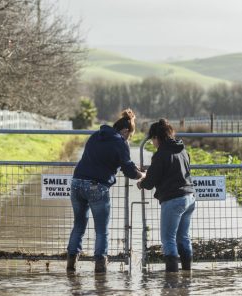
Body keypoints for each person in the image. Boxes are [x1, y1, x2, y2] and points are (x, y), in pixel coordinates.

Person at [67, 109, 145, 273]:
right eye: (129, 136)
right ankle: (100, 269)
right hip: (97, 186)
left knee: (79, 225)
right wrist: (142, 174)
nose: (128, 139)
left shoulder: (96, 135)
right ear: (125, 131)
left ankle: (71, 264)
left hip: (76, 182)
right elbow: (129, 171)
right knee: (101, 230)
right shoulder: (120, 142)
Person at [137, 119, 196, 272]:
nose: (152, 143)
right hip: (189, 197)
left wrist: (141, 182)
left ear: (157, 137)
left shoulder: (160, 155)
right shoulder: (182, 150)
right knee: (183, 237)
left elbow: (150, 183)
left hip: (173, 200)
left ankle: (172, 282)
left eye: (152, 140)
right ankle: (186, 274)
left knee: (168, 239)